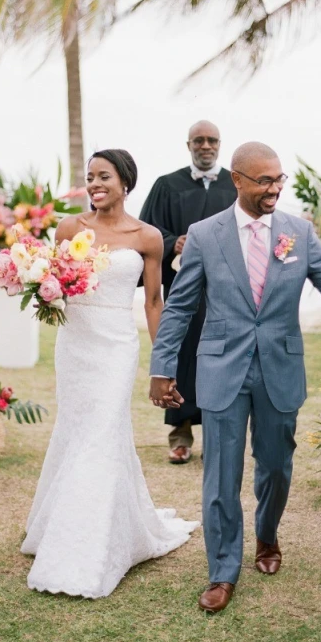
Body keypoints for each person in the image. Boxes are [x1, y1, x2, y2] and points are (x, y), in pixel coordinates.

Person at [149, 142, 321, 614]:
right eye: (264, 180)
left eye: (278, 179)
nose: (275, 188)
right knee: (220, 475)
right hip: (221, 368)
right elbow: (179, 307)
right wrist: (162, 369)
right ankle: (222, 570)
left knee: (276, 466)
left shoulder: (297, 233)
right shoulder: (203, 234)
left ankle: (267, 534)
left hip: (279, 366)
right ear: (237, 180)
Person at [21, 149, 198, 598]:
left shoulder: (148, 237)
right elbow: (55, 285)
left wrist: (165, 363)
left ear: (125, 183)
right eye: (90, 177)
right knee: (78, 431)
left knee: (102, 432)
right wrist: (41, 290)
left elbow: (155, 303)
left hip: (117, 346)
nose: (95, 184)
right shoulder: (69, 228)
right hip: (76, 345)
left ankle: (88, 548)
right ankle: (61, 525)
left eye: (104, 176)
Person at [140, 120, 237, 463]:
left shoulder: (234, 185)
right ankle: (180, 434)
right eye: (199, 140)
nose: (206, 146)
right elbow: (146, 231)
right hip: (184, 289)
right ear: (189, 145)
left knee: (221, 358)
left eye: (212, 140)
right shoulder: (167, 186)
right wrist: (172, 241)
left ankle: (218, 434)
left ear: (220, 144)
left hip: (226, 292)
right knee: (182, 356)